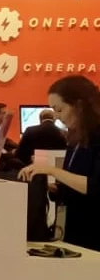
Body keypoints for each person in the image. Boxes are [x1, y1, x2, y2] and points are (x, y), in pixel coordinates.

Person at [19, 75, 100, 251]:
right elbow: (75, 181)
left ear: (79, 105)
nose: (56, 116)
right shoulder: (75, 137)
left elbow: (94, 187)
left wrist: (51, 170)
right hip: (76, 231)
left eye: (60, 110)